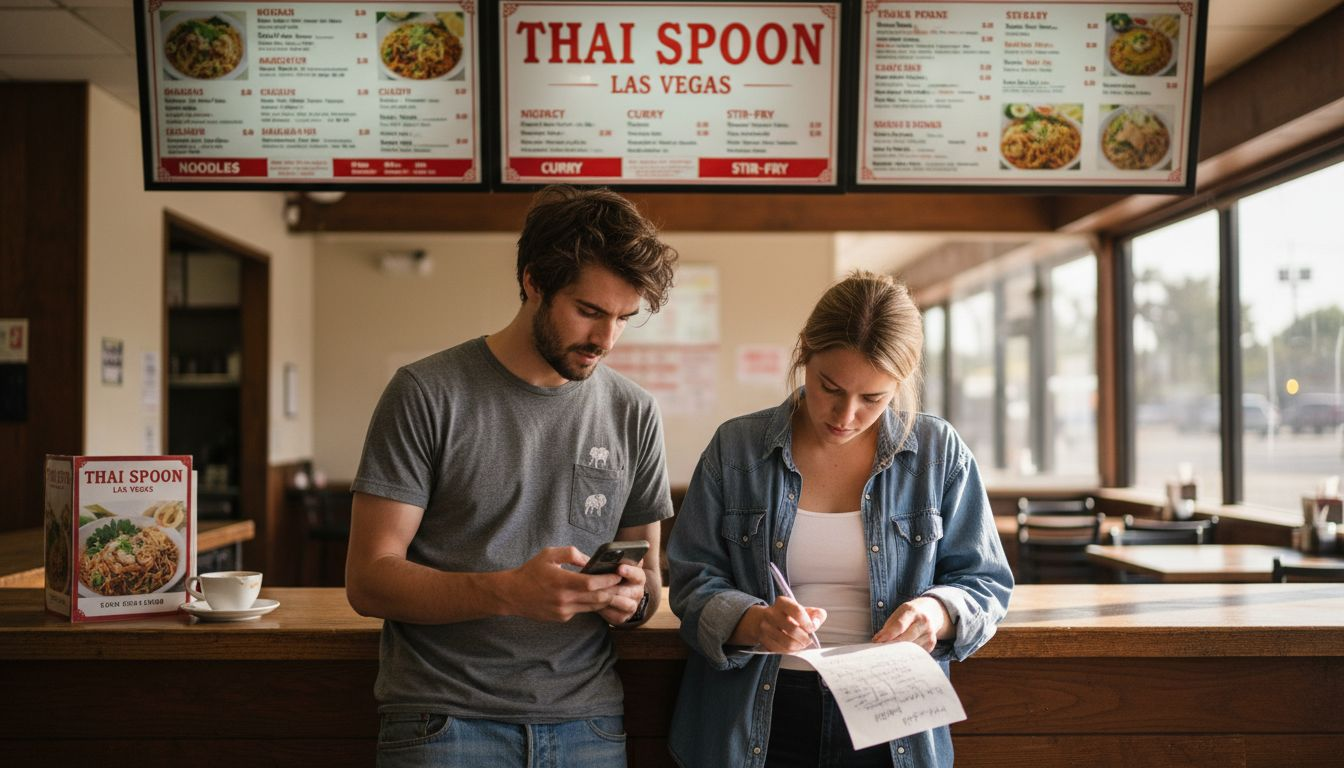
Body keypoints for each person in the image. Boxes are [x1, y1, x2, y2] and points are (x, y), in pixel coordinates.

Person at [345, 185, 679, 767]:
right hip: (444, 720)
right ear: (534, 282)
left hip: (589, 724)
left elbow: (649, 580)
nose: (605, 340)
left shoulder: (634, 412)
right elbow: (369, 580)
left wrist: (630, 598)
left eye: (624, 318)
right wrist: (508, 592)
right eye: (589, 311)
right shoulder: (426, 393)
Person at [667, 271, 1012, 768]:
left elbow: (985, 581)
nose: (845, 416)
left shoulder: (938, 453)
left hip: (892, 718)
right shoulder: (737, 449)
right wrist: (754, 622)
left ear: (901, 385)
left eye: (873, 399)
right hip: (753, 714)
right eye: (829, 387)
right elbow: (691, 579)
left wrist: (934, 613)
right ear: (804, 354)